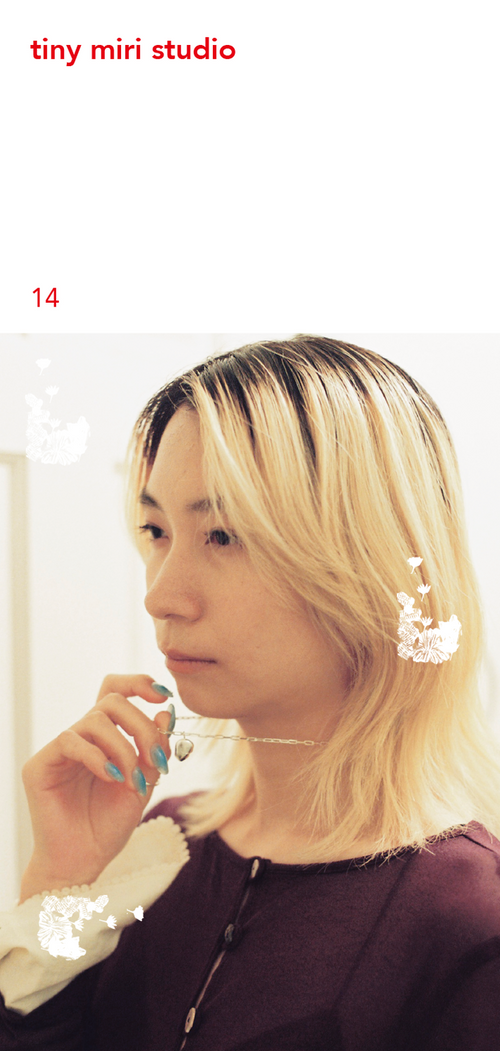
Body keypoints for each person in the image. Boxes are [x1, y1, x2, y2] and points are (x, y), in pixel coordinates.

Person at [1, 336, 500, 1050]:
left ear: (372, 562)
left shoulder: (469, 921)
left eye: (224, 535)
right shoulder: (159, 848)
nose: (160, 595)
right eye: (156, 530)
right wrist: (59, 888)